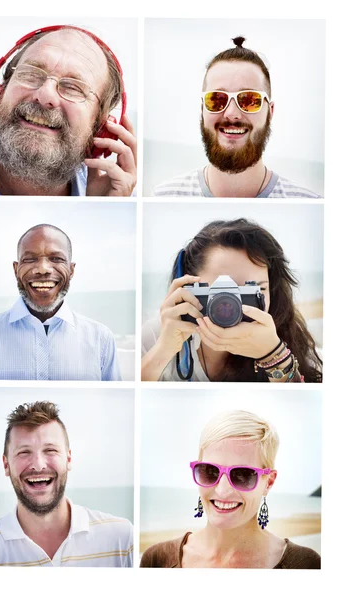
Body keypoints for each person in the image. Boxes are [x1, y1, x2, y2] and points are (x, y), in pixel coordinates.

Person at [0, 25, 136, 196]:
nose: (44, 95)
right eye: (31, 74)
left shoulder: (121, 197)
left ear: (101, 128)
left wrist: (101, 210)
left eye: (73, 87)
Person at [140, 218, 322, 382]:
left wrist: (272, 354)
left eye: (254, 289)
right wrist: (164, 349)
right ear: (190, 290)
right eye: (222, 291)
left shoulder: (286, 336)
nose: (230, 305)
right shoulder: (160, 333)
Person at [0, 401, 133, 567]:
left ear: (68, 459)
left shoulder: (122, 539)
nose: (38, 464)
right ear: (6, 465)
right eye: (24, 452)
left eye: (50, 450)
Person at [140, 410, 321, 568]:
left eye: (243, 475)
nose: (222, 491)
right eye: (210, 471)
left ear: (269, 482)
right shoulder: (156, 560)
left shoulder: (307, 564)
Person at [153, 37, 320, 198]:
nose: (232, 113)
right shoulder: (162, 195)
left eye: (249, 100)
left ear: (270, 111)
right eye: (217, 99)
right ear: (203, 109)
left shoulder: (310, 200)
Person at [0, 223, 121, 380]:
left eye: (56, 259)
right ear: (16, 270)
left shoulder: (101, 338)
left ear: (71, 270)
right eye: (30, 259)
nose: (43, 269)